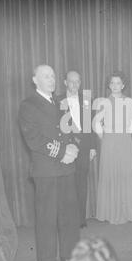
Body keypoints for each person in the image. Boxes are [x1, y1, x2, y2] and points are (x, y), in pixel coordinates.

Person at [18, 65, 80, 261]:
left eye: (53, 76)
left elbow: (69, 129)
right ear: (35, 80)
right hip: (46, 170)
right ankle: (46, 260)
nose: (51, 80)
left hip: (66, 168)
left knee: (68, 214)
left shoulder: (61, 102)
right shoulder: (28, 105)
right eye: (46, 76)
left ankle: (69, 253)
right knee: (46, 217)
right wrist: (63, 152)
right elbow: (34, 139)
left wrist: (74, 147)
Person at [95, 71, 132, 225]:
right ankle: (111, 213)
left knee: (124, 175)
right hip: (109, 142)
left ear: (123, 85)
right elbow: (96, 123)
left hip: (124, 141)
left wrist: (125, 135)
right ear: (109, 85)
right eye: (112, 83)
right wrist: (104, 137)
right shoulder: (104, 102)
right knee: (111, 175)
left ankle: (125, 212)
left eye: (118, 83)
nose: (115, 86)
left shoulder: (130, 101)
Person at [57, 71, 98, 229]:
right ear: (65, 82)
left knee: (81, 184)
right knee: (66, 184)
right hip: (66, 149)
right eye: (71, 82)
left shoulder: (87, 100)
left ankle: (81, 218)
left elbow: (91, 126)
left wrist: (93, 146)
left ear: (80, 83)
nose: (74, 85)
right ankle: (67, 219)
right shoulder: (57, 100)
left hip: (85, 147)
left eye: (77, 82)